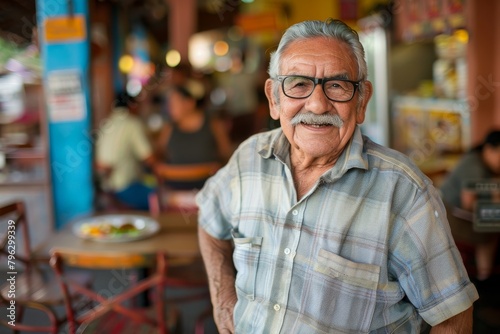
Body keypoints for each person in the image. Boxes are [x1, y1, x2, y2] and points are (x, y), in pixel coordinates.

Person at [196, 19, 478, 333]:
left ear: (361, 101)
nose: (317, 104)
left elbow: (452, 319)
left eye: (337, 86)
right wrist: (223, 301)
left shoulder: (403, 192)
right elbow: (209, 223)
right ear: (274, 98)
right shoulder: (248, 159)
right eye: (298, 84)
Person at [440, 130, 500, 281]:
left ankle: (485, 274)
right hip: (454, 217)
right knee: (492, 225)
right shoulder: (473, 166)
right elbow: (469, 204)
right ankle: (485, 275)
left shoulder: (484, 163)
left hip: (463, 214)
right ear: (489, 149)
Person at [155, 79, 233, 189]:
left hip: (208, 188)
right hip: (176, 189)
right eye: (169, 104)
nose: (169, 108)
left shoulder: (213, 124)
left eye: (174, 103)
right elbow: (159, 155)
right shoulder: (169, 128)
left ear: (189, 103)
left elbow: (226, 155)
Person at [95, 92, 156, 210]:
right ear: (133, 106)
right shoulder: (132, 123)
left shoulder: (106, 123)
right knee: (161, 197)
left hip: (106, 190)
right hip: (126, 189)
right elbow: (149, 158)